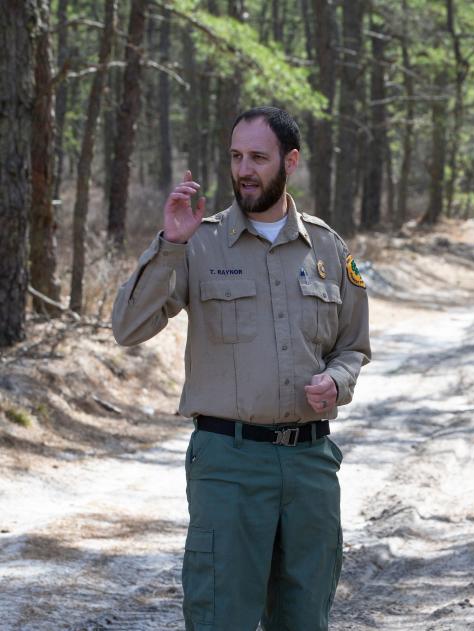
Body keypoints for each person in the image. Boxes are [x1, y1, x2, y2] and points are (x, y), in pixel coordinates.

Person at [111, 106, 370, 631]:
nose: (244, 169)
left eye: (258, 157)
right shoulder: (199, 243)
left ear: (290, 162)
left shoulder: (328, 247)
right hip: (228, 464)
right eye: (235, 156)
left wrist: (337, 382)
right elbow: (128, 328)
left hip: (310, 465)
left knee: (304, 620)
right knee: (220, 617)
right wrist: (170, 245)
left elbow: (353, 346)